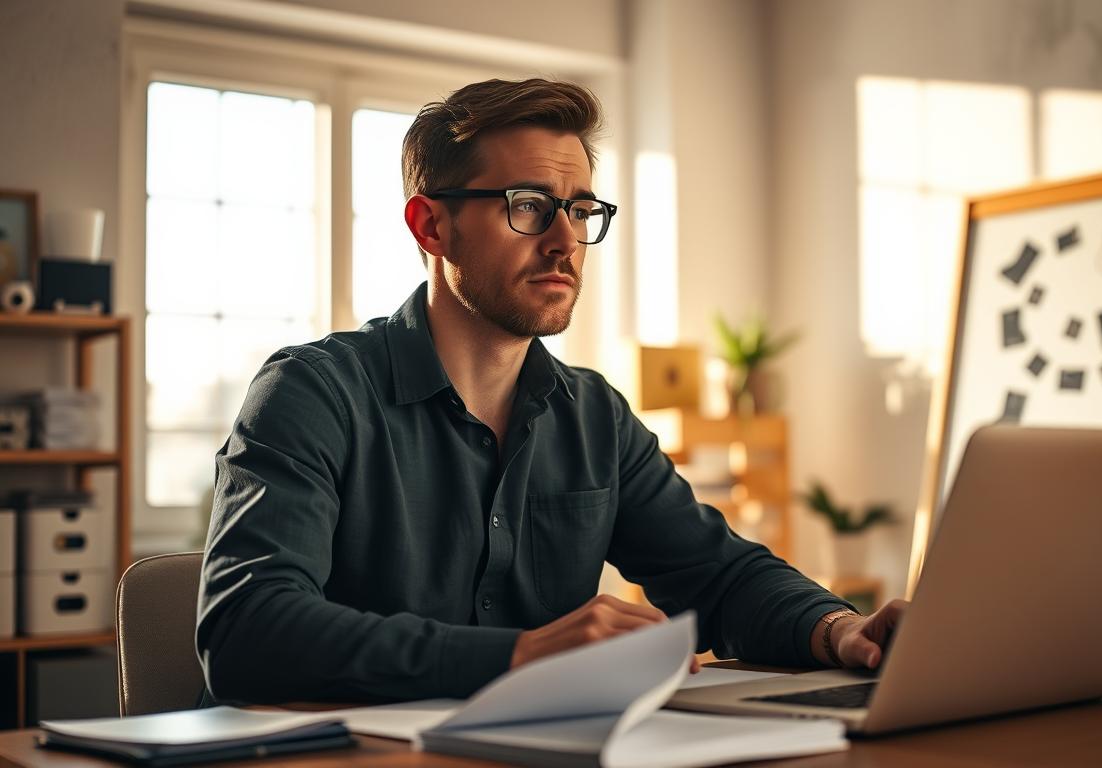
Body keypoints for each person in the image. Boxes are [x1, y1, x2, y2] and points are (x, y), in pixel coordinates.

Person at [197, 78, 906, 704]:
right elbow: (247, 628)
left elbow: (717, 575)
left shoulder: (594, 415)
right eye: (529, 205)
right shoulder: (312, 393)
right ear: (432, 224)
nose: (566, 238)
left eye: (580, 209)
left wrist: (841, 630)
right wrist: (519, 656)